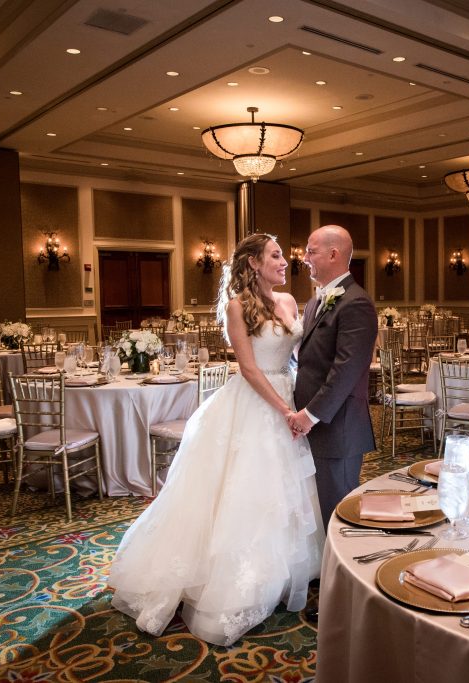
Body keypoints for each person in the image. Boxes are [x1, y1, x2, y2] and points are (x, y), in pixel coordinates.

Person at [107, 233, 323, 645]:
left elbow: (298, 357)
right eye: (276, 256)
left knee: (287, 488)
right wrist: (285, 412)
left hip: (291, 399)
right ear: (254, 264)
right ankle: (235, 580)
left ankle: (289, 569)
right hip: (256, 405)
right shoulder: (238, 306)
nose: (284, 261)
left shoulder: (292, 302)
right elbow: (249, 368)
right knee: (244, 490)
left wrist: (305, 404)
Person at [288, 225, 378, 528]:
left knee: (339, 514)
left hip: (337, 426)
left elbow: (346, 371)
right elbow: (308, 361)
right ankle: (322, 572)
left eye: (310, 251)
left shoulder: (356, 302)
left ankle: (343, 574)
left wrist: (309, 415)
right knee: (316, 509)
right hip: (311, 425)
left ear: (333, 254)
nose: (304, 258)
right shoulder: (315, 302)